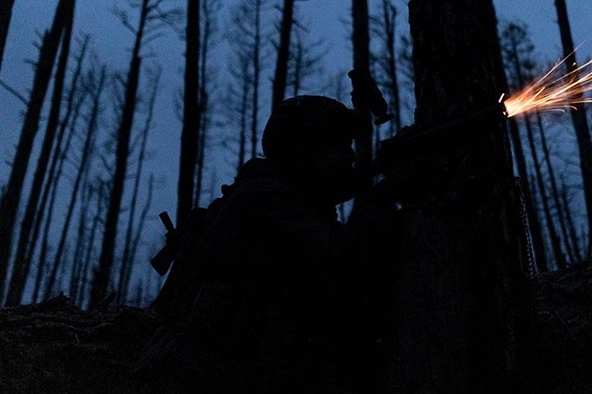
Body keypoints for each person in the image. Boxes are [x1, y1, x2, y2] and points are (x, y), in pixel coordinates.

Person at [136, 95, 397, 393]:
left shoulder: (274, 197)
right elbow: (343, 260)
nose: (350, 156)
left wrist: (379, 175)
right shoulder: (263, 199)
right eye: (338, 145)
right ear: (306, 150)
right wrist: (383, 197)